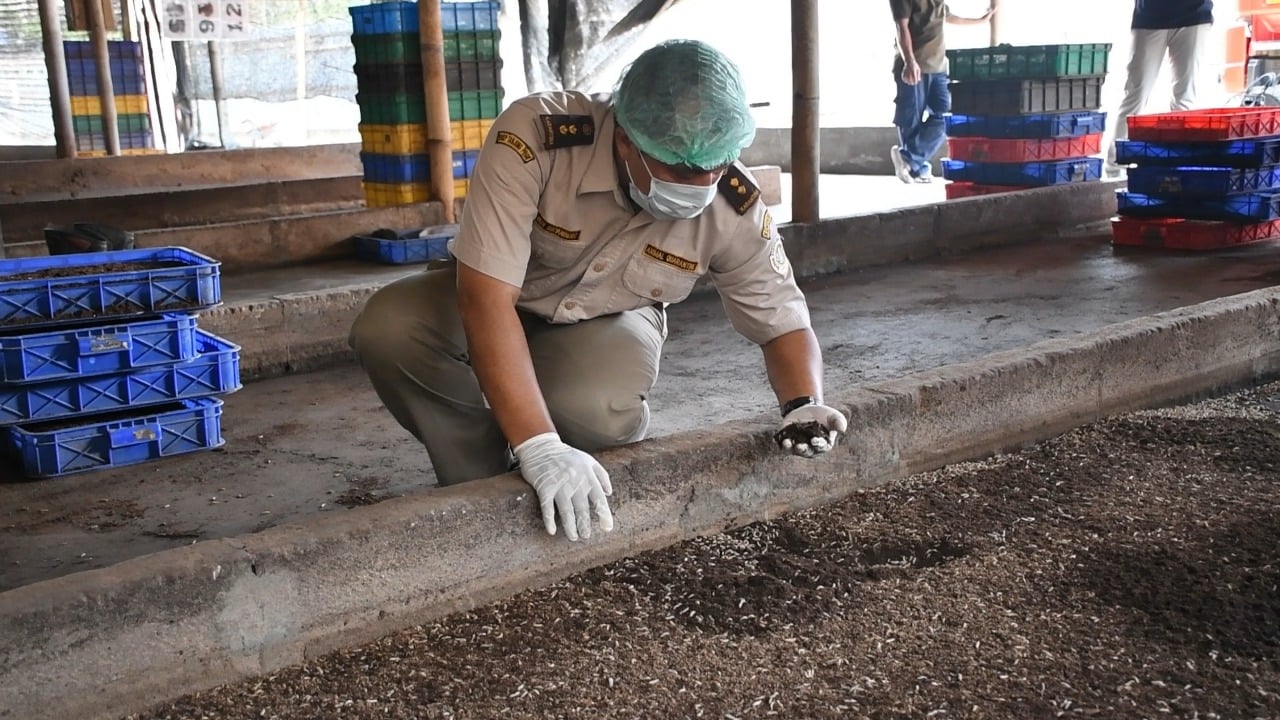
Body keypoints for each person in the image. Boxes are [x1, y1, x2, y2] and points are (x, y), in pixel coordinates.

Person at [348, 40, 849, 543]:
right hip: (502, 294)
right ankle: (479, 479)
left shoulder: (732, 202)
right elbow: (484, 298)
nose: (702, 183)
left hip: (610, 314)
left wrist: (802, 403)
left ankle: (563, 451)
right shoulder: (535, 138)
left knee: (596, 411)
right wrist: (539, 446)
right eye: (679, 169)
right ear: (627, 139)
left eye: (717, 165)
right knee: (391, 327)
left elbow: (782, 318)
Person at [889, 0, 995, 184]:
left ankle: (909, 159)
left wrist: (980, 21)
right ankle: (918, 167)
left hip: (938, 68)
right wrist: (910, 62)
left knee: (945, 116)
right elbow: (901, 28)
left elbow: (950, 17)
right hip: (915, 65)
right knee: (910, 119)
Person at [1108, 0, 1215, 174]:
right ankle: (1114, 167)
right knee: (1136, 94)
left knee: (1185, 98)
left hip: (1195, 14)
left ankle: (1179, 166)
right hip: (1150, 16)